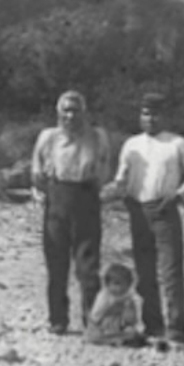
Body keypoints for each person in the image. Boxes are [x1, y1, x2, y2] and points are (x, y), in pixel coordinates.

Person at [105, 93, 184, 344]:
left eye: (156, 114)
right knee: (145, 272)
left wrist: (179, 196)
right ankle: (153, 324)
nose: (150, 119)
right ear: (140, 116)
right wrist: (116, 192)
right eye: (146, 113)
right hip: (138, 211)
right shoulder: (132, 144)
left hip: (165, 210)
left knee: (170, 271)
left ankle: (177, 328)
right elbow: (121, 178)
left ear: (165, 116)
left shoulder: (177, 144)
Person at [31, 90, 115, 334]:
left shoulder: (97, 137)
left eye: (75, 111)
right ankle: (58, 319)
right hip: (57, 200)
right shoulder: (48, 137)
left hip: (86, 199)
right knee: (56, 265)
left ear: (84, 113)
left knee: (88, 267)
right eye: (65, 111)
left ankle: (93, 320)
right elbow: (36, 172)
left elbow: (104, 170)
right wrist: (44, 192)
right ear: (59, 113)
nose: (70, 116)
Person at [83, 262, 148, 348]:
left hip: (119, 329)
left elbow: (132, 321)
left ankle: (117, 340)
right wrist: (111, 307)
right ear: (107, 284)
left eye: (126, 285)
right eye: (116, 284)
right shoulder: (104, 297)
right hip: (103, 327)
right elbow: (95, 317)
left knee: (132, 333)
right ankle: (113, 340)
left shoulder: (129, 298)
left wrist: (129, 309)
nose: (120, 289)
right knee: (94, 335)